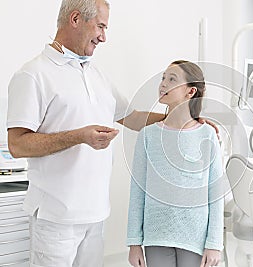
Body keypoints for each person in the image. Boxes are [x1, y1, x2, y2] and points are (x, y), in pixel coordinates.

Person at [6, 1, 213, 266]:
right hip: (55, 218)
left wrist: (186, 121)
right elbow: (18, 144)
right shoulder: (33, 74)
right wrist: (79, 136)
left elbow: (133, 117)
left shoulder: (97, 76)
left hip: (95, 216)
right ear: (76, 19)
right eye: (101, 26)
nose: (104, 37)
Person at [127, 60, 224, 267]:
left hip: (195, 238)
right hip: (156, 236)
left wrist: (214, 243)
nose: (163, 84)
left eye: (172, 79)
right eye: (163, 78)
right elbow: (137, 191)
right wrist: (134, 242)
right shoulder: (148, 135)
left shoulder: (207, 135)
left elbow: (215, 193)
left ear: (190, 92)